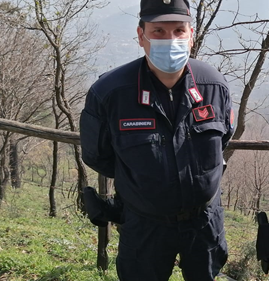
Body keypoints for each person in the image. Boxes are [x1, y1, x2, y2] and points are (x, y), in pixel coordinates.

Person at [79, 0, 234, 280]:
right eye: (159, 31)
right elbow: (97, 155)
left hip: (204, 224)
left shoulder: (214, 85)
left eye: (178, 31)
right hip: (144, 225)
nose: (170, 40)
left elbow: (222, 140)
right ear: (141, 36)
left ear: (191, 35)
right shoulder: (111, 92)